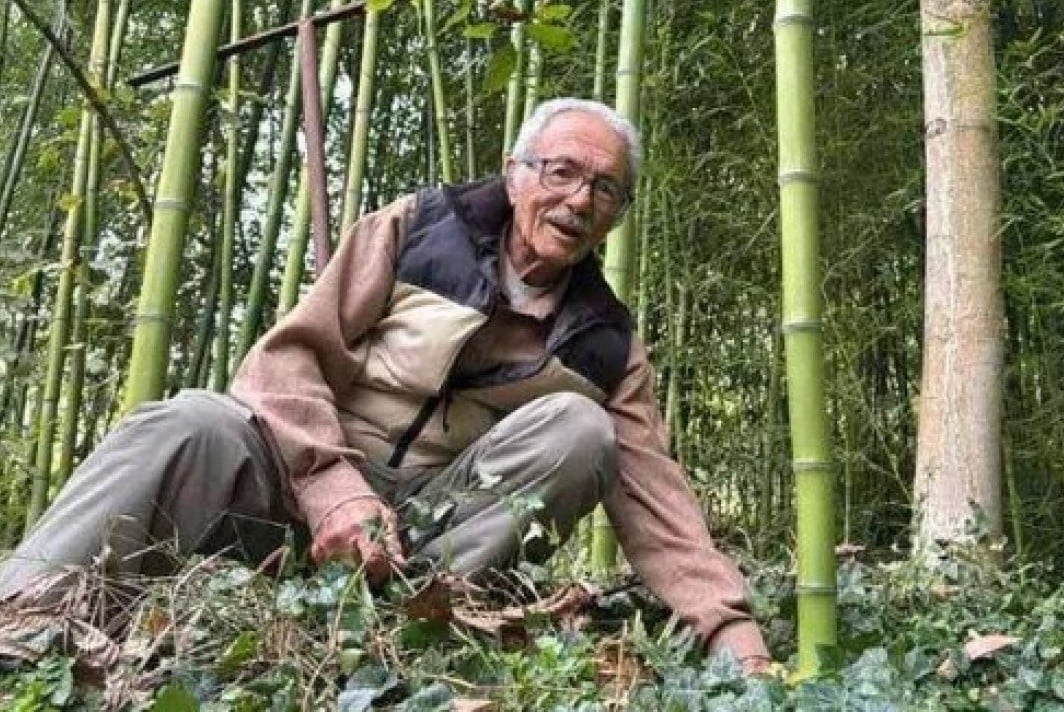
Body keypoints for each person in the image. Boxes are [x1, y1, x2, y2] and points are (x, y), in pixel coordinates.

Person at [0, 98, 769, 669]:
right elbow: (285, 361)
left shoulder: (606, 339)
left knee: (580, 429)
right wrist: (332, 483)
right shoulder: (418, 228)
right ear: (515, 171)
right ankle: (19, 622)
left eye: (604, 189)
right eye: (561, 171)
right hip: (298, 485)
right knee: (189, 420)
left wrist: (736, 635)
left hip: (425, 544)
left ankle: (396, 638)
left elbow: (658, 502)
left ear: (616, 217)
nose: (577, 200)